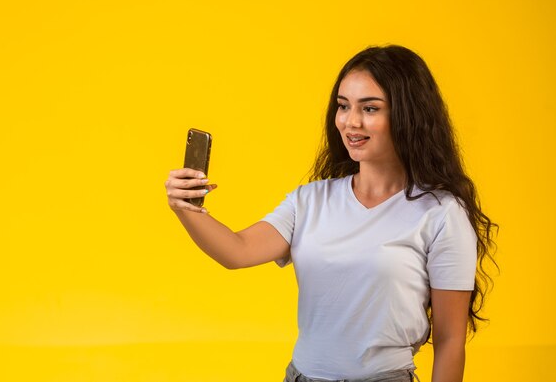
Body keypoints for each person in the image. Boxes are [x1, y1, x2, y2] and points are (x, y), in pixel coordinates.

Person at [164, 45, 497, 382]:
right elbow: (237, 251)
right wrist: (185, 207)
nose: (351, 121)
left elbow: (450, 340)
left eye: (370, 108)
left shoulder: (441, 214)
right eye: (343, 106)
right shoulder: (310, 200)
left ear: (408, 114)